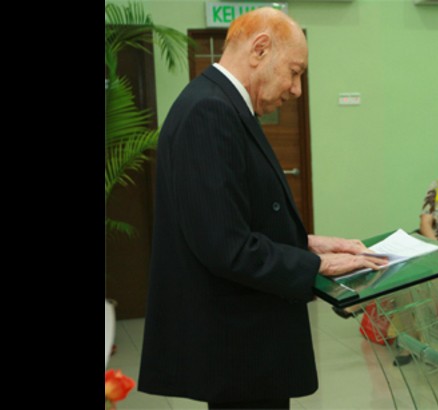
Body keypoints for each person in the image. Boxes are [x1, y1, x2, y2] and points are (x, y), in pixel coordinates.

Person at [138, 9, 386, 410]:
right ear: (260, 49)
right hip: (239, 351)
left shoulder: (221, 105)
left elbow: (238, 216)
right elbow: (226, 245)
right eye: (294, 71)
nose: (297, 89)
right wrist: (317, 265)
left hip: (243, 347)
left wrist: (311, 242)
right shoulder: (210, 112)